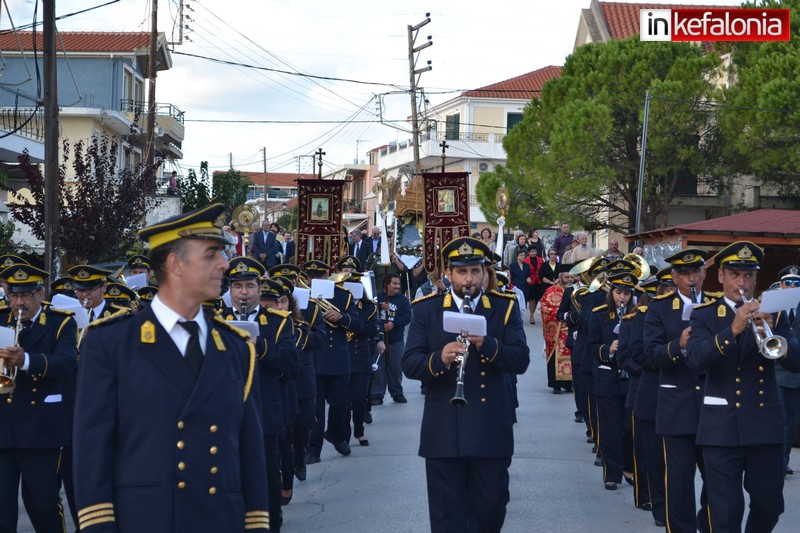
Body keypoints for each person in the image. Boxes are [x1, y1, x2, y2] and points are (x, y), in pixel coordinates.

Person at [73, 203, 271, 531]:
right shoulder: (111, 344)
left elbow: (251, 454)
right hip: (146, 521)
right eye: (211, 255)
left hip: (219, 520)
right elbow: (91, 450)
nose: (225, 263)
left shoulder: (237, 348)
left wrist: (256, 524)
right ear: (175, 264)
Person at [401, 236, 530, 533]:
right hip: (443, 429)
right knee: (446, 516)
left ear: (484, 272)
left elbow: (521, 360)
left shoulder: (504, 307)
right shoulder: (427, 309)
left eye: (475, 271)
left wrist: (487, 344)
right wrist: (439, 358)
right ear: (449, 274)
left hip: (489, 428)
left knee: (491, 508)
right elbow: (409, 364)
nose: (469, 279)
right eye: (461, 272)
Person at [687, 241, 800, 533]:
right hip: (722, 426)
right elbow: (696, 360)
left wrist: (776, 336)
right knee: (725, 512)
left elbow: (796, 362)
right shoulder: (704, 315)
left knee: (770, 506)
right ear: (721, 276)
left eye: (748, 276)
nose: (742, 283)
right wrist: (733, 330)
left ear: (756, 279)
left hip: (765, 425)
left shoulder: (774, 314)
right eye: (735, 275)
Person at [0, 264, 77, 533]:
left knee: (43, 506)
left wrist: (26, 361)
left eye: (26, 295)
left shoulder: (60, 322)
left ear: (41, 293)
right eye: (13, 295)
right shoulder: (1, 318)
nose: (19, 303)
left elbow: (66, 365)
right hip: (3, 426)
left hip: (40, 430)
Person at [221, 256, 296, 533]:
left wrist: (260, 345)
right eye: (237, 286)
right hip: (226, 414)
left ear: (259, 288)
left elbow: (292, 363)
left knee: (266, 478)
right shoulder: (216, 319)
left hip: (265, 411)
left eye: (249, 286)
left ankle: (270, 524)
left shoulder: (278, 322)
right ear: (230, 289)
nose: (244, 292)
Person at [643, 248, 714, 533]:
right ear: (674, 277)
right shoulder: (659, 308)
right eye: (684, 274)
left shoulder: (715, 304)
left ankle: (708, 525)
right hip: (676, 405)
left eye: (695, 272)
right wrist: (678, 345)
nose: (691, 279)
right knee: (679, 480)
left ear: (704, 274)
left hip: (712, 405)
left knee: (718, 479)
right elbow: (650, 355)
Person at [302, 260, 366, 464]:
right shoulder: (301, 296)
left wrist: (341, 317)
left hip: (337, 357)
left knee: (341, 404)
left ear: (327, 276)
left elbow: (359, 324)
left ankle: (336, 435)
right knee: (315, 410)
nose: (315, 280)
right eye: (311, 276)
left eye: (319, 276)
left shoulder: (343, 295)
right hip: (315, 358)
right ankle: (313, 450)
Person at [587, 270, 637, 491]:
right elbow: (591, 346)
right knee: (610, 429)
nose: (622, 297)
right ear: (611, 293)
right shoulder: (599, 315)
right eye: (618, 292)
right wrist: (609, 349)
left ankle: (628, 467)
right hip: (607, 378)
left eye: (626, 293)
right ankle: (612, 473)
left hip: (629, 380)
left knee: (629, 428)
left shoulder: (637, 315)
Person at [775, 264, 800, 476]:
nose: (792, 286)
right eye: (788, 282)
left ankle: (783, 460)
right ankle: (775, 461)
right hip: (775, 371)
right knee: (779, 417)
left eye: (797, 283)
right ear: (781, 285)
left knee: (791, 420)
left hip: (796, 373)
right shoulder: (773, 306)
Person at [373, 272, 411, 404]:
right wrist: (379, 307)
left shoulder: (403, 301)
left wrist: (393, 324)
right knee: (378, 368)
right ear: (386, 284)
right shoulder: (377, 298)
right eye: (394, 284)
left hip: (396, 340)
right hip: (379, 340)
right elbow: (370, 313)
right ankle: (377, 395)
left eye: (398, 284)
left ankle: (397, 393)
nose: (397, 286)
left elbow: (407, 317)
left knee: (396, 368)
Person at [540, 264, 573, 394]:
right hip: (557, 331)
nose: (569, 279)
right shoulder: (551, 291)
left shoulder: (576, 291)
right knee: (555, 356)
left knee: (572, 356)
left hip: (571, 330)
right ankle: (556, 384)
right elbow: (544, 308)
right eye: (566, 277)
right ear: (560, 277)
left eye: (571, 277)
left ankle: (569, 384)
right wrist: (560, 315)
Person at [524, 246, 544, 324]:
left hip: (538, 281)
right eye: (532, 251)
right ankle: (532, 315)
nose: (533, 253)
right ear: (529, 252)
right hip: (530, 281)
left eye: (535, 251)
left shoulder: (540, 260)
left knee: (536, 299)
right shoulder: (526, 261)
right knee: (531, 298)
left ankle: (533, 312)